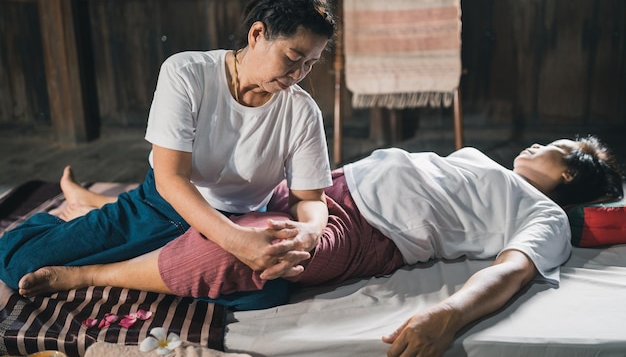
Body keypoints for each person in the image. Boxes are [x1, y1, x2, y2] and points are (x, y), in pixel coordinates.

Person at [11, 136, 625, 357]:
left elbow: (512, 273)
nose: (543, 143)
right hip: (321, 184)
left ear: (568, 173)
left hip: (362, 231)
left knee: (250, 252)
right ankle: (106, 206)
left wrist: (449, 314)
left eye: (559, 143)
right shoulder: (481, 161)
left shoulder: (540, 212)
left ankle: (90, 276)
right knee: (200, 183)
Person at [0, 0, 338, 307]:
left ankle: (113, 254)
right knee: (19, 261)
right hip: (163, 208)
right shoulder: (187, 73)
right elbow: (170, 179)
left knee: (267, 292)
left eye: (310, 64)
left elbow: (310, 199)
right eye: (293, 57)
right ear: (257, 34)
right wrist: (236, 243)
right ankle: (83, 220)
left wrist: (309, 233)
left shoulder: (302, 111)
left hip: (239, 217)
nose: (298, 74)